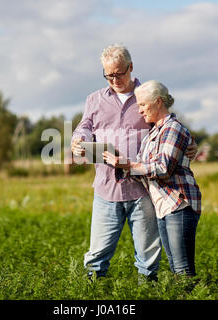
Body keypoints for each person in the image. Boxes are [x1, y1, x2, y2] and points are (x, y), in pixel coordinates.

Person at [71, 44, 198, 282]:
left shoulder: (147, 95)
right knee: (97, 256)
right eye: (109, 75)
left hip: (143, 190)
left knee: (148, 258)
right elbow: (84, 127)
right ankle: (90, 294)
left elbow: (171, 127)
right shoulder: (94, 100)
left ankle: (146, 293)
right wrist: (78, 140)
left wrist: (191, 144)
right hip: (106, 189)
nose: (115, 79)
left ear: (130, 67)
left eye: (119, 73)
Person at [103, 80, 202, 277]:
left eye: (142, 105)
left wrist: (128, 165)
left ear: (158, 102)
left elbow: (163, 168)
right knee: (175, 266)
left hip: (178, 203)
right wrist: (120, 164)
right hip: (164, 206)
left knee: (182, 268)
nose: (139, 111)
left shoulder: (172, 128)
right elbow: (142, 168)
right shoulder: (153, 133)